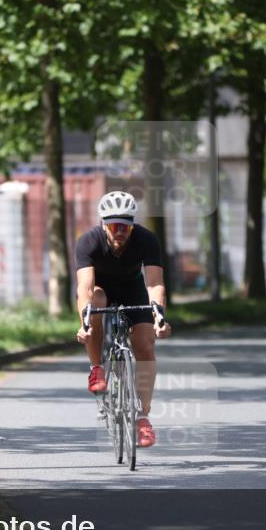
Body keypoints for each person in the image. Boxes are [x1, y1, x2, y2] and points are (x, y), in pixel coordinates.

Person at [75, 191, 172, 448]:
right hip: (101, 289)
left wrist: (159, 317)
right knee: (96, 300)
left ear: (133, 226)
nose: (120, 231)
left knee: (145, 344)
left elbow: (154, 284)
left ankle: (142, 417)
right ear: (103, 224)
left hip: (133, 289)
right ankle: (97, 368)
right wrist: (84, 323)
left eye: (125, 226)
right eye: (114, 225)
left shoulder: (146, 239)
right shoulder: (89, 241)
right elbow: (84, 288)